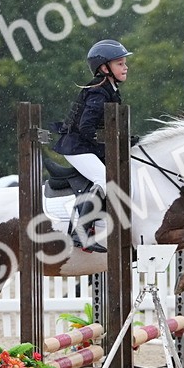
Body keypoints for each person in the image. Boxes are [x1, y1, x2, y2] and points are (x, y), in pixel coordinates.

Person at [53, 39, 132, 252]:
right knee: (105, 179)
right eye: (120, 64)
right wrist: (110, 146)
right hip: (76, 146)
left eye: (124, 63)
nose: (125, 67)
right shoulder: (98, 91)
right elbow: (86, 128)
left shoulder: (109, 89)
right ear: (105, 68)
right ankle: (80, 233)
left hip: (84, 144)